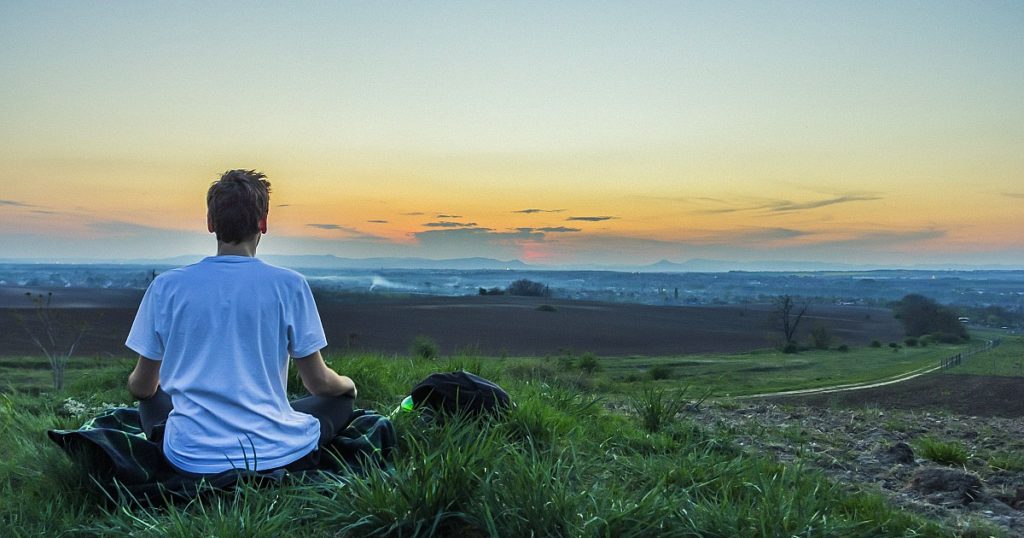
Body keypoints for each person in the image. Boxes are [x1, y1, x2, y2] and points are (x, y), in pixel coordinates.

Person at [125, 169, 356, 476]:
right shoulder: (290, 285)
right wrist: (348, 385)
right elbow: (319, 384)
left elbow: (141, 387)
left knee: (152, 398)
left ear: (210, 223)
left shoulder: (166, 287)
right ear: (263, 222)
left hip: (190, 457)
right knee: (339, 402)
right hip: (274, 453)